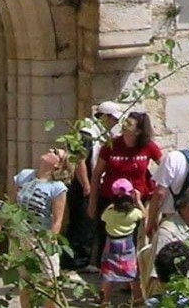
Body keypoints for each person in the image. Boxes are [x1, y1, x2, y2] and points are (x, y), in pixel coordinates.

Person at [11, 148, 70, 308]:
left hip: (42, 239)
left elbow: (57, 220)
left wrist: (48, 242)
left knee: (49, 284)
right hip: (21, 236)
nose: (50, 150)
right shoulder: (24, 175)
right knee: (26, 282)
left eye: (56, 152)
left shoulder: (57, 187)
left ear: (58, 165)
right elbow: (10, 205)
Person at [71, 102, 126, 269]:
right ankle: (77, 262)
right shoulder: (87, 133)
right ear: (103, 116)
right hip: (83, 186)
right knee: (83, 223)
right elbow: (79, 160)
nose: (115, 123)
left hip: (94, 185)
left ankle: (87, 260)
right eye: (113, 119)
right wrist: (87, 186)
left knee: (91, 222)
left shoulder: (100, 132)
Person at [96, 112, 161, 214]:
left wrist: (158, 190)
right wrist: (92, 204)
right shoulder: (110, 145)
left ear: (138, 131)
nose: (124, 125)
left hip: (136, 201)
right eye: (124, 122)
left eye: (129, 124)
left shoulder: (148, 146)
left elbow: (165, 167)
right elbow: (97, 174)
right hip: (109, 200)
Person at [96, 179, 146, 305]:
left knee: (108, 273)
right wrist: (138, 201)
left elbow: (102, 217)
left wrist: (111, 204)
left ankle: (106, 300)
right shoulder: (133, 213)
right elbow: (144, 215)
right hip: (127, 244)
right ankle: (137, 297)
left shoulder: (109, 213)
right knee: (132, 271)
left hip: (111, 244)